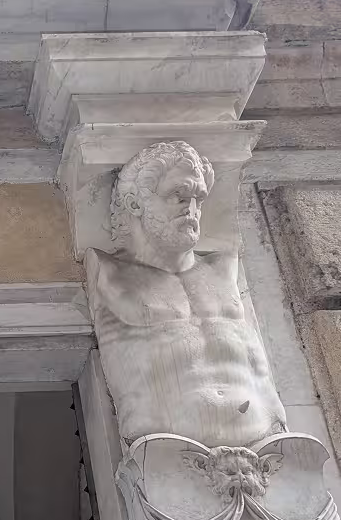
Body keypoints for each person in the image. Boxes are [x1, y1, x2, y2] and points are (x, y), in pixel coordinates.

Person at [87, 141, 286, 447]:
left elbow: (258, 363)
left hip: (265, 446)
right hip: (165, 453)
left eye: (198, 199)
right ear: (134, 203)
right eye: (178, 196)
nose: (191, 210)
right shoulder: (109, 273)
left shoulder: (225, 268)